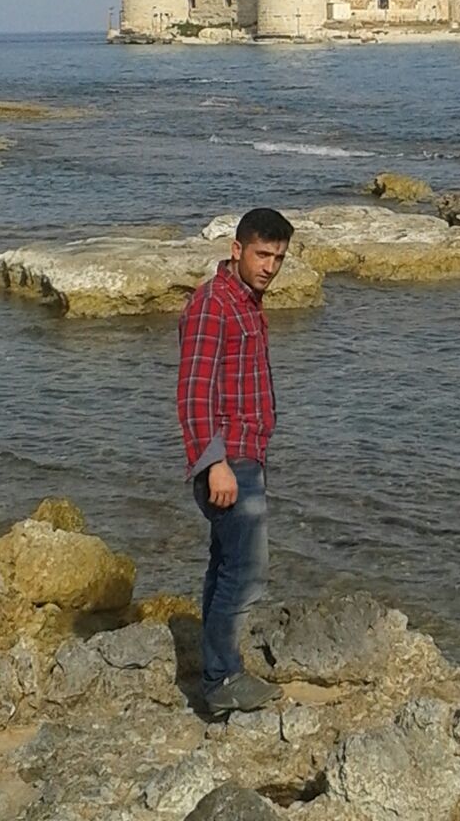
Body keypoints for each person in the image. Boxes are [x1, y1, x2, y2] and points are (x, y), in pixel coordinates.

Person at [177, 206, 294, 714]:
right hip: (229, 461)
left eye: (279, 257)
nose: (270, 266)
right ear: (236, 251)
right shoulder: (213, 305)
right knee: (246, 572)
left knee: (224, 568)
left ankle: (216, 674)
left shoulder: (247, 303)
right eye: (262, 254)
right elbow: (193, 392)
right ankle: (223, 679)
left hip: (248, 454)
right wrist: (214, 462)